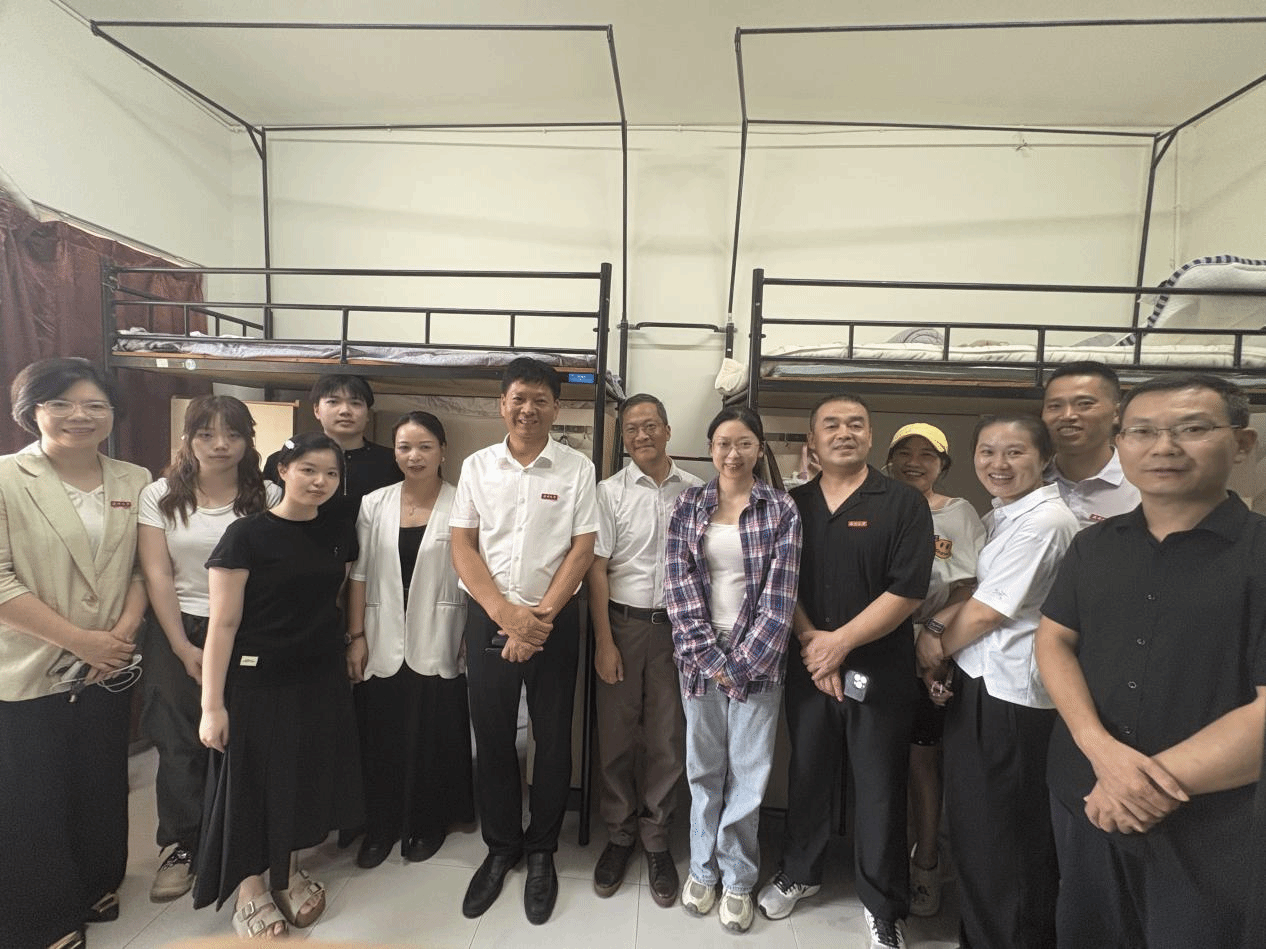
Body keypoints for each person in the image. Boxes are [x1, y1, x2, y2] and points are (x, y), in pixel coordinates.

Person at [1035, 373, 1265, 949]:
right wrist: (1102, 753)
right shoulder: (1094, 545)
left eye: (1192, 429)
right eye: (1142, 432)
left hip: (1214, 818)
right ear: (1121, 444)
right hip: (1086, 798)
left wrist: (1138, 787)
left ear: (1242, 443)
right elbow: (1054, 641)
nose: (1164, 447)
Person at [757, 394, 932, 949]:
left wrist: (840, 644)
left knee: (879, 784)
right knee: (807, 771)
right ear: (813, 440)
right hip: (809, 663)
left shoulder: (903, 502)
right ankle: (800, 872)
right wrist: (814, 643)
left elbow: (908, 590)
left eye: (856, 424)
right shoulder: (791, 503)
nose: (844, 432)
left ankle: (883, 905)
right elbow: (780, 581)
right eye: (831, 425)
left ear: (870, 436)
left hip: (879, 670)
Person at [0, 357, 150, 949]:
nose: (79, 416)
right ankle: (41, 919)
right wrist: (79, 640)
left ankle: (96, 883)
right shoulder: (7, 477)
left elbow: (143, 568)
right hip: (28, 663)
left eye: (95, 405)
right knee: (30, 793)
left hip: (107, 666)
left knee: (100, 779)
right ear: (32, 411)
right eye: (60, 403)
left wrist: (120, 638)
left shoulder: (134, 480)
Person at [193, 432, 363, 938]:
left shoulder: (338, 532)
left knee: (301, 776)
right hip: (257, 678)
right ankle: (249, 887)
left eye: (331, 474)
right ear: (283, 470)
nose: (320, 481)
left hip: (319, 676)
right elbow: (223, 625)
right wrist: (211, 705)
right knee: (251, 782)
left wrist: (350, 643)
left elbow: (336, 597)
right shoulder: (246, 535)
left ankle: (286, 871)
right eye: (308, 469)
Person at [920, 415, 1078, 949]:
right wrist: (942, 643)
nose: (998, 464)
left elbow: (989, 611)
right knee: (978, 833)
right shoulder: (1003, 515)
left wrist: (933, 645)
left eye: (1014, 452)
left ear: (1045, 458)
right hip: (984, 682)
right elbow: (974, 591)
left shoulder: (1045, 522)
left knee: (1005, 843)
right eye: (987, 452)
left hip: (1013, 698)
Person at [451, 356, 598, 926]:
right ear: (502, 404)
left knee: (553, 739)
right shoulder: (477, 466)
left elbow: (582, 549)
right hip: (491, 614)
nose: (528, 409)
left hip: (554, 620)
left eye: (540, 400)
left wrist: (538, 620)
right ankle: (501, 847)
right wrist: (506, 616)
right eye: (519, 398)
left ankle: (542, 850)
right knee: (491, 737)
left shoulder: (577, 468)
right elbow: (462, 546)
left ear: (556, 407)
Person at [137, 395, 280, 903]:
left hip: (248, 627)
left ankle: (243, 842)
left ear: (248, 441)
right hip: (178, 624)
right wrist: (180, 644)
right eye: (206, 434)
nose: (221, 445)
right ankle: (183, 844)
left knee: (242, 737)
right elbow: (157, 573)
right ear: (188, 439)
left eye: (233, 434)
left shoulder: (267, 493)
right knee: (179, 738)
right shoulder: (159, 495)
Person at [666, 405, 801, 935]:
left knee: (748, 773)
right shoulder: (688, 504)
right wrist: (711, 658)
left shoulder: (781, 509)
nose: (733, 453)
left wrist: (740, 665)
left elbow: (780, 599)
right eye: (723, 443)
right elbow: (677, 587)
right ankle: (703, 870)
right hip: (698, 654)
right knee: (703, 771)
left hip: (759, 656)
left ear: (759, 448)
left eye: (744, 442)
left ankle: (739, 879)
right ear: (711, 448)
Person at [345, 411, 474, 869]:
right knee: (381, 734)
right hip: (381, 630)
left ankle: (428, 822)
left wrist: (469, 634)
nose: (414, 456)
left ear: (443, 451)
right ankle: (381, 826)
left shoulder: (462, 501)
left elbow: (473, 573)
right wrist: (356, 635)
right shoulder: (374, 503)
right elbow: (359, 574)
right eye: (404, 447)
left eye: (425, 447)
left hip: (440, 629)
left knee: (433, 733)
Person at [588, 393, 702, 905]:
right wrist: (604, 642)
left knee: (666, 738)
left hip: (677, 629)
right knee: (616, 737)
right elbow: (596, 569)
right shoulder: (608, 492)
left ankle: (657, 839)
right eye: (632, 428)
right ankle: (619, 835)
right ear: (624, 438)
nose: (642, 435)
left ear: (668, 430)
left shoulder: (696, 491)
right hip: (623, 624)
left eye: (650, 425)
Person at [886, 422, 985, 918]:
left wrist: (936, 639)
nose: (914, 462)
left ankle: (925, 864)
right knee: (880, 763)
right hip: (879, 650)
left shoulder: (958, 514)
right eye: (905, 452)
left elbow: (970, 586)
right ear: (889, 461)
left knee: (922, 761)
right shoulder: (879, 506)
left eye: (927, 454)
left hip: (932, 651)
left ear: (943, 465)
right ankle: (885, 865)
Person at [262, 373, 401, 529]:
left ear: (367, 413)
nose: (345, 411)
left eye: (355, 403)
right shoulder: (284, 460)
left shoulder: (392, 462)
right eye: (333, 402)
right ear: (316, 410)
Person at [1042, 362, 1140, 527]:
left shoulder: (1141, 485)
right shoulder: (1027, 479)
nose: (1067, 415)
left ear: (1117, 413)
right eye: (1055, 406)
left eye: (1085, 404)